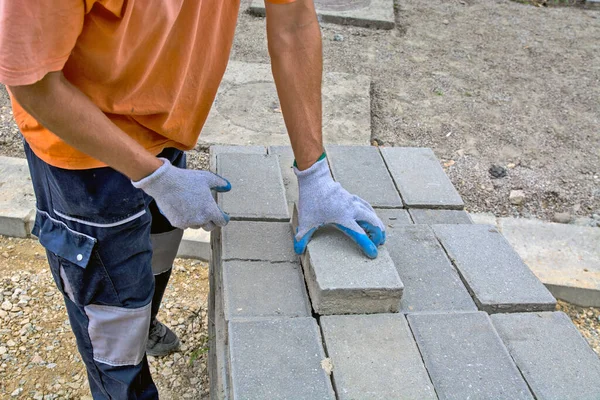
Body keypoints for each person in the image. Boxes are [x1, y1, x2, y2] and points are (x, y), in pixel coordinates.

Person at [0, 0, 386, 398]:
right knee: (114, 330)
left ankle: (144, 319)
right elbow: (32, 81)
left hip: (164, 126)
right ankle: (125, 373)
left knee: (158, 246)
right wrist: (154, 176)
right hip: (83, 152)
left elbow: (293, 23)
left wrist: (315, 174)